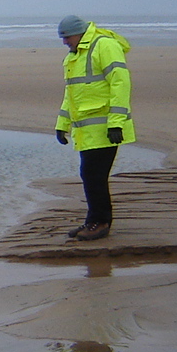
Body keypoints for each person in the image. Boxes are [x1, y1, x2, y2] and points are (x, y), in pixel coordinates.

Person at [54, 15, 135, 240]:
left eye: (67, 37)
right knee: (90, 175)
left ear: (79, 33)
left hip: (107, 129)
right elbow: (71, 94)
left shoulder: (105, 46)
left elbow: (121, 84)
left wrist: (116, 123)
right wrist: (62, 125)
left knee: (94, 175)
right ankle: (94, 221)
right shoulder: (74, 57)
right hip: (87, 131)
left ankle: (100, 223)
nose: (64, 42)